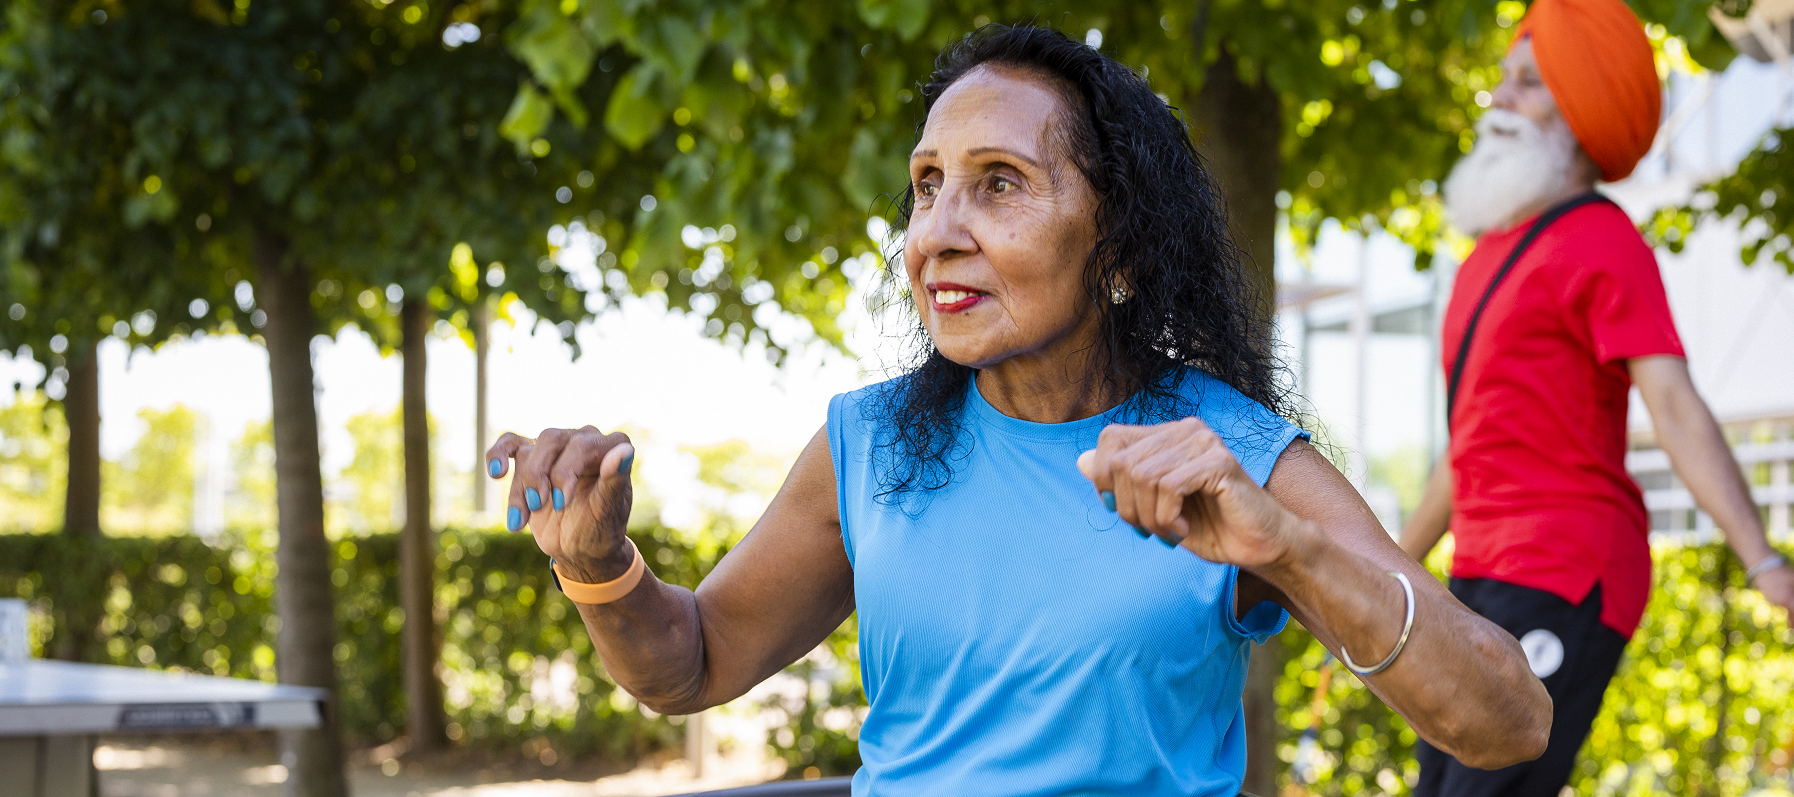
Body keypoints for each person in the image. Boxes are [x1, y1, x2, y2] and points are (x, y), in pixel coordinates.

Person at [487, 25, 1551, 797]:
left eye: (998, 183)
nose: (935, 232)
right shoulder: (868, 443)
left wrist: (1290, 549)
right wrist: (598, 565)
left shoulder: (1229, 455)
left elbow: (1505, 721)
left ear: (1120, 251)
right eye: (926, 185)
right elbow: (694, 660)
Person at [1398, 1, 1794, 795]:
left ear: (1578, 116)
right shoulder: (1482, 260)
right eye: (1503, 80)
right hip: (1478, 571)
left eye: (1530, 85)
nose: (1502, 99)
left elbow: (1674, 406)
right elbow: (1466, 451)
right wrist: (1383, 568)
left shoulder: (1602, 241)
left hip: (1566, 568)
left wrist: (1765, 561)